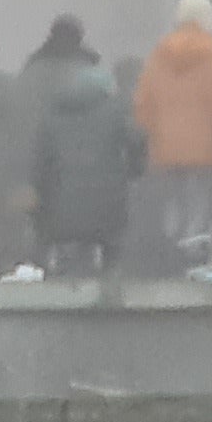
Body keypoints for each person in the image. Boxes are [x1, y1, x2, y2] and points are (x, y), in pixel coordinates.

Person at [133, 0, 212, 252]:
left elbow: (143, 101)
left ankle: (170, 247)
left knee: (174, 199)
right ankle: (191, 249)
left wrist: (152, 136)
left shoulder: (159, 55)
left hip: (165, 145)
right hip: (203, 146)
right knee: (198, 200)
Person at [0, 17, 98, 267]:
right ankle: (81, 271)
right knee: (78, 224)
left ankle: (36, 267)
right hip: (77, 165)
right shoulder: (88, 74)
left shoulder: (31, 74)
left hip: (34, 164)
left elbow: (16, 123)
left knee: (40, 222)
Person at [30, 54, 144, 276]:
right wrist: (132, 171)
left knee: (54, 234)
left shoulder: (52, 116)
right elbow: (137, 142)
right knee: (112, 243)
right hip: (107, 208)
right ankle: (111, 280)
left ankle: (52, 274)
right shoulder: (116, 111)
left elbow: (40, 166)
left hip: (59, 212)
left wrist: (41, 201)